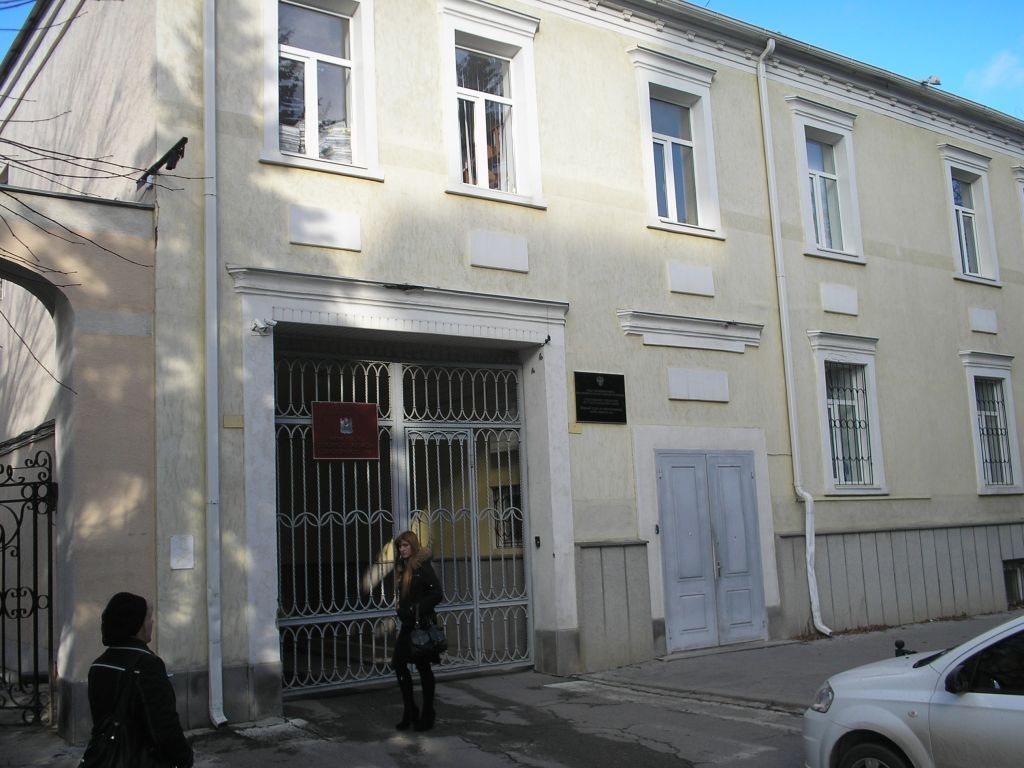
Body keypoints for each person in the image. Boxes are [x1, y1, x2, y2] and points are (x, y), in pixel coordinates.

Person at [86, 592, 194, 767]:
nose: (152, 622)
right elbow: (164, 726)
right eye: (148, 617)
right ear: (136, 624)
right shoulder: (147, 665)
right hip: (140, 760)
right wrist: (185, 758)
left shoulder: (99, 664)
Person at [392, 530, 444, 732]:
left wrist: (416, 609)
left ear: (413, 546)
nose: (402, 549)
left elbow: (437, 593)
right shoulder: (402, 566)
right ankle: (410, 710)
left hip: (421, 625)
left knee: (423, 668)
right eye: (399, 546)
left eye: (405, 545)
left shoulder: (422, 566)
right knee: (399, 664)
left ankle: (428, 713)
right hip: (408, 625)